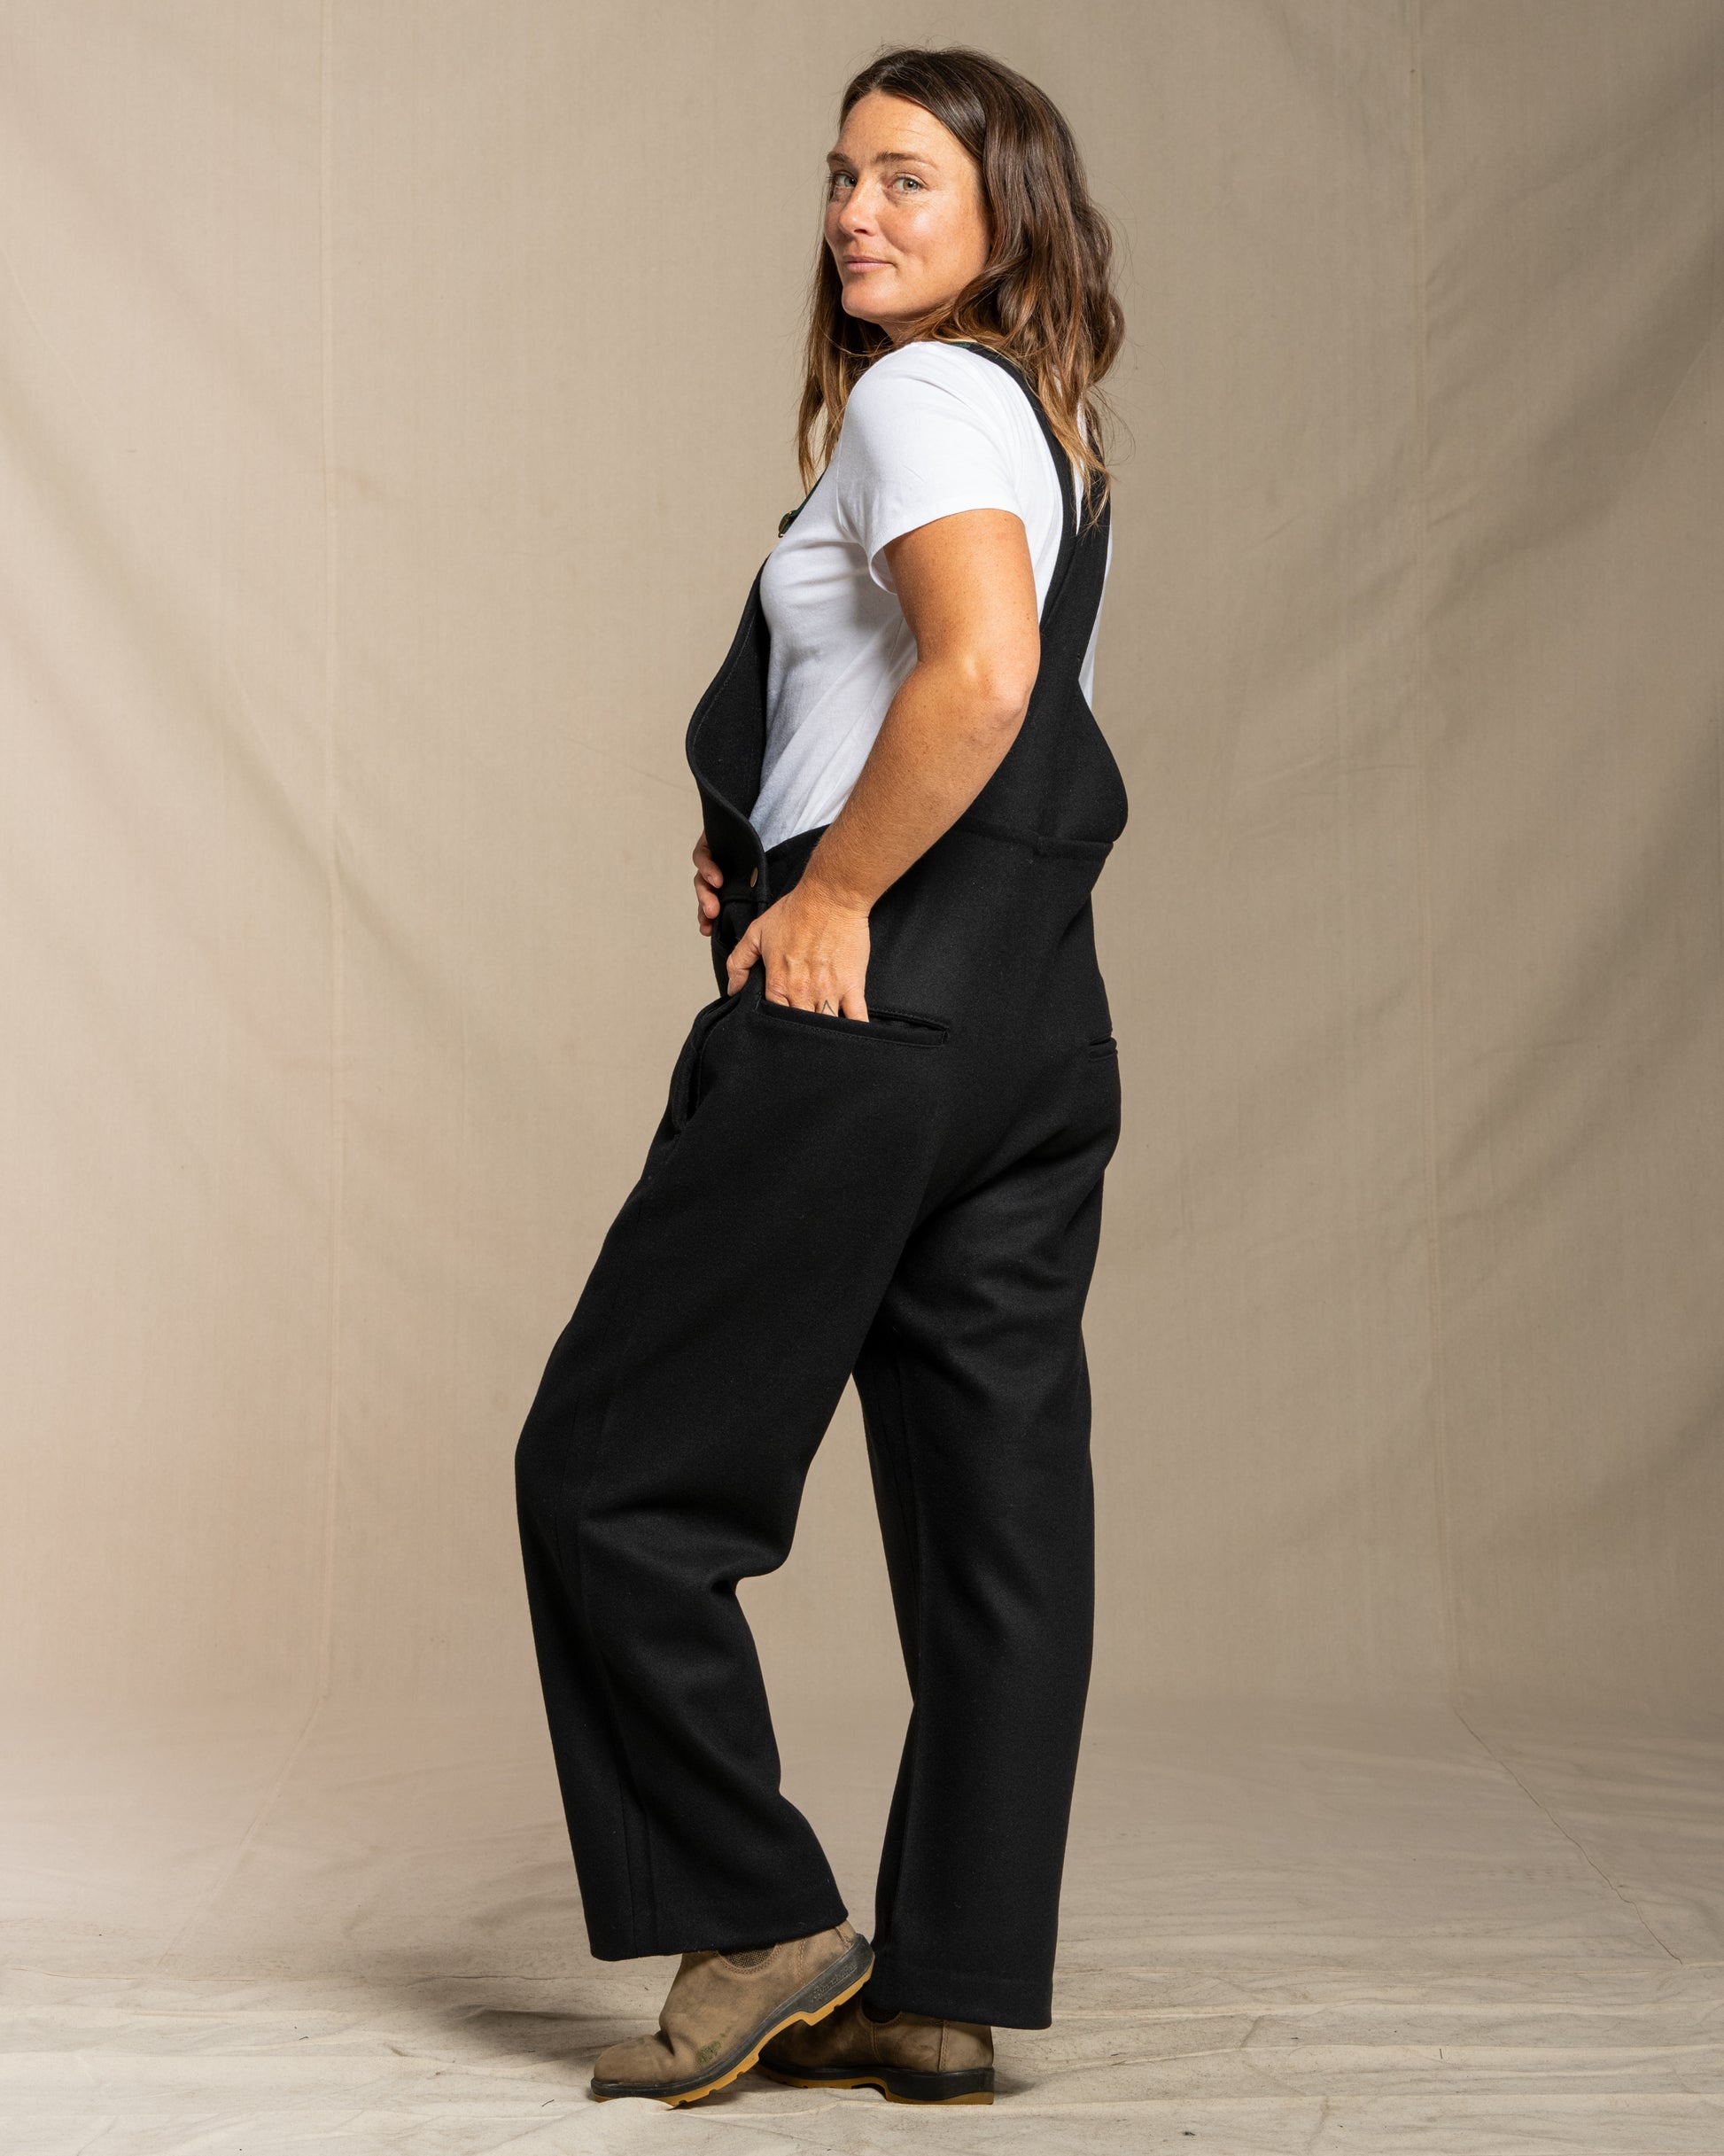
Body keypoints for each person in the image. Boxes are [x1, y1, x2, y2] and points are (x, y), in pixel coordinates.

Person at [514, 43, 1128, 2109]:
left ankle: (762, 1915)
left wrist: (828, 886)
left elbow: (977, 679)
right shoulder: (1043, 424)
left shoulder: (914, 396)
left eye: (908, 181)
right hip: (1036, 1026)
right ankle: (942, 1976)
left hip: (875, 1014)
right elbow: (929, 685)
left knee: (608, 1468)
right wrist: (760, 811)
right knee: (993, 1514)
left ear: (1001, 217)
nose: (857, 212)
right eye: (841, 177)